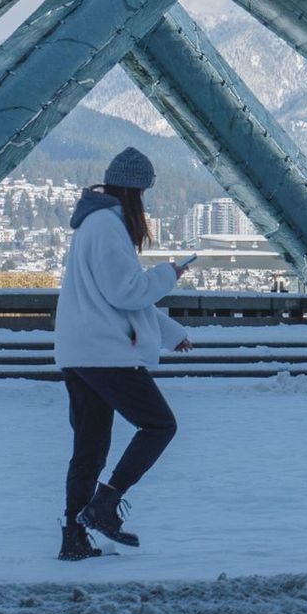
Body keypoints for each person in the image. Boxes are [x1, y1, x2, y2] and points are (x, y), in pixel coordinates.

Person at [54, 147, 193, 561]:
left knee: (90, 448)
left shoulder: (92, 225)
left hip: (82, 351)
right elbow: (126, 292)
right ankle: (105, 503)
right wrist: (170, 273)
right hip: (105, 352)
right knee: (159, 424)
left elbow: (116, 296)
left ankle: (73, 536)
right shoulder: (107, 226)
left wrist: (169, 332)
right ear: (135, 192)